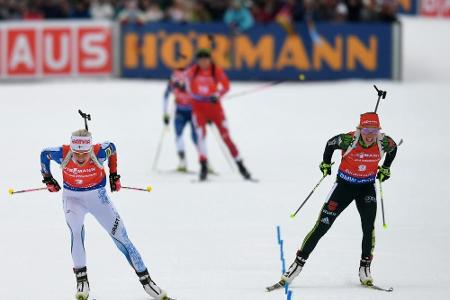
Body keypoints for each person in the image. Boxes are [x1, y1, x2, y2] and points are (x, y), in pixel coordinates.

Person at [40, 129, 174, 300]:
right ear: (71, 149)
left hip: (98, 198)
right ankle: (82, 283)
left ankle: (148, 284)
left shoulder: (100, 152)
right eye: (76, 153)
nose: (80, 158)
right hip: (72, 199)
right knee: (75, 231)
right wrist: (47, 178)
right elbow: (44, 154)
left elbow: (113, 147)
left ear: (90, 149)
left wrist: (114, 175)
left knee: (122, 238)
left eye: (84, 154)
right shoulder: (61, 153)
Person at [271, 112, 397, 290]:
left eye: (374, 130)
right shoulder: (347, 140)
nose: (370, 135)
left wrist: (385, 168)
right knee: (322, 225)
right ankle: (296, 266)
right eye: (367, 130)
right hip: (343, 187)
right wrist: (325, 163)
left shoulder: (384, 142)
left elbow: (394, 149)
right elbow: (330, 144)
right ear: (359, 129)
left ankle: (365, 268)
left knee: (368, 227)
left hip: (366, 188)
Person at [185, 48, 252, 181]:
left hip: (215, 109)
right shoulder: (193, 71)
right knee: (200, 136)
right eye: (201, 60)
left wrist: (217, 95)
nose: (203, 62)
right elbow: (188, 88)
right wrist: (198, 98)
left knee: (226, 137)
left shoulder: (216, 70)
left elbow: (226, 86)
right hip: (199, 109)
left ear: (210, 59)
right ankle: (203, 166)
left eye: (206, 59)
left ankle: (241, 165)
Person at [163, 67, 198, 172]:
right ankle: (182, 162)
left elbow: (200, 94)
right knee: (179, 136)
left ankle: (205, 162)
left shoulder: (192, 78)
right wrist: (165, 114)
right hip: (180, 112)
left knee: (196, 137)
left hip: (193, 112)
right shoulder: (173, 81)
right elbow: (165, 96)